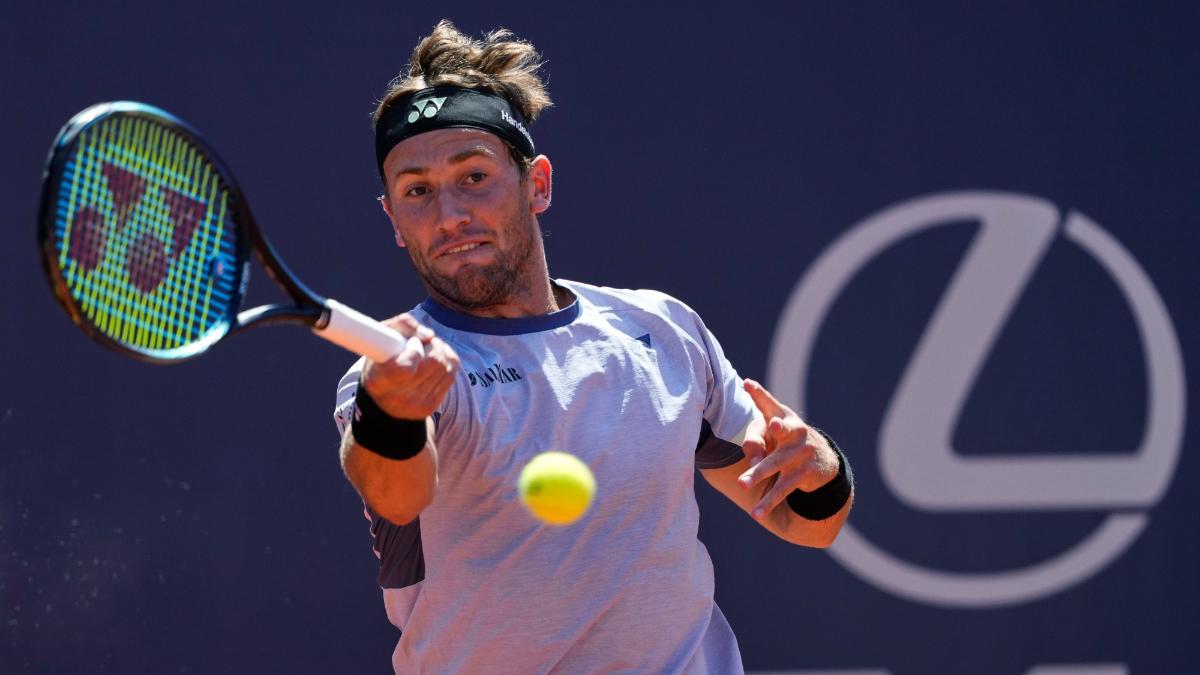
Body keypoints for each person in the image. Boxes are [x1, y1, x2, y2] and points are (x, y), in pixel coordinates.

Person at [332, 20, 854, 674]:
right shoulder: (387, 374)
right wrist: (391, 410)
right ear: (394, 222)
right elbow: (395, 493)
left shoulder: (661, 330)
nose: (450, 215)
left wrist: (819, 464)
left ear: (537, 184)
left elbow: (810, 521)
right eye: (418, 191)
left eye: (474, 176)